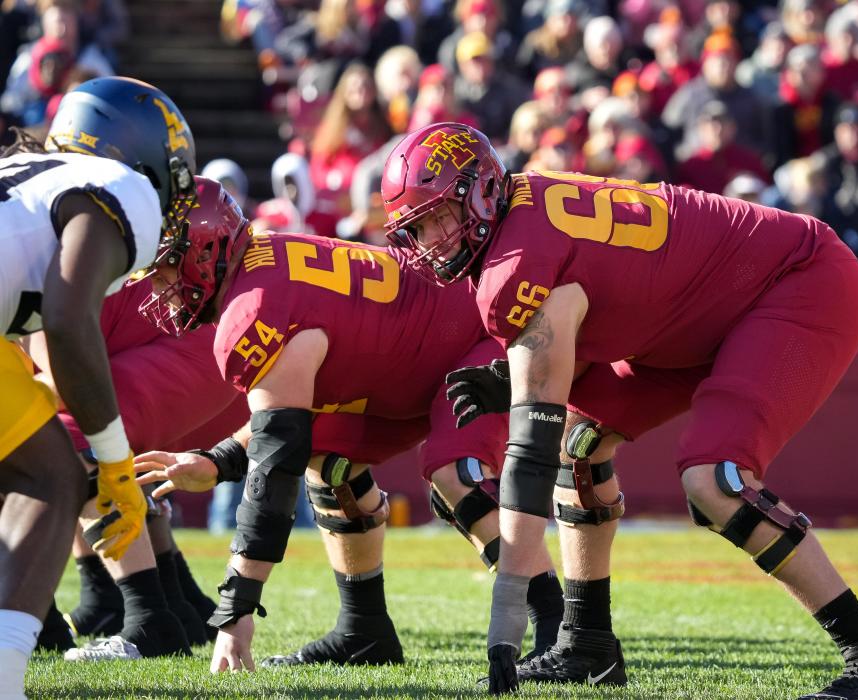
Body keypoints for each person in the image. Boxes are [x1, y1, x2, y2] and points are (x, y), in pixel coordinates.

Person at [380, 122, 858, 698]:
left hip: (794, 282)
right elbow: (608, 300)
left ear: (482, 191)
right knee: (579, 443)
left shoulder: (516, 264)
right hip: (693, 318)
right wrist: (517, 380)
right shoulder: (522, 224)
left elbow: (526, 461)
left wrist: (506, 617)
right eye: (417, 227)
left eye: (437, 216)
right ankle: (586, 642)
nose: (432, 239)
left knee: (714, 480)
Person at [132, 178, 564, 671]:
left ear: (203, 253)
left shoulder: (255, 308)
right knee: (329, 462)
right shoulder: (260, 272)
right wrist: (217, 460)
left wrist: (236, 608)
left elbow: (274, 467)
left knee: (453, 475)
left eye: (165, 265)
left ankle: (556, 623)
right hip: (408, 366)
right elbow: (293, 430)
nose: (157, 285)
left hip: (473, 336)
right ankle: (363, 630)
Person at [0, 75, 196, 698]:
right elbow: (65, 317)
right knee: (49, 477)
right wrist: (113, 462)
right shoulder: (123, 187)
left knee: (31, 470)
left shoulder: (32, 174)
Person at [24, 276, 248, 661]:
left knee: (61, 443)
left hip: (199, 342)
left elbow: (65, 383)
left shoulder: (16, 276)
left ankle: (150, 620)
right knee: (51, 441)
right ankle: (176, 602)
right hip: (194, 337)